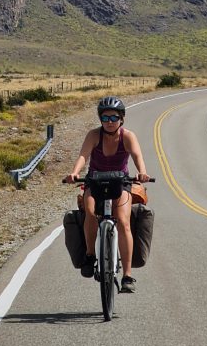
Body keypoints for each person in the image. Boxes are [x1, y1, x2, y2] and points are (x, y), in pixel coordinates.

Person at [64, 96, 150, 293]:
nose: (109, 122)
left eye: (113, 118)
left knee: (124, 220)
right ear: (100, 119)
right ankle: (89, 254)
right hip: (94, 181)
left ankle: (127, 276)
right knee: (91, 213)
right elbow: (83, 156)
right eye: (105, 118)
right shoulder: (94, 135)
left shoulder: (128, 136)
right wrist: (75, 172)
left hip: (121, 182)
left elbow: (137, 156)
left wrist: (142, 172)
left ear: (122, 118)